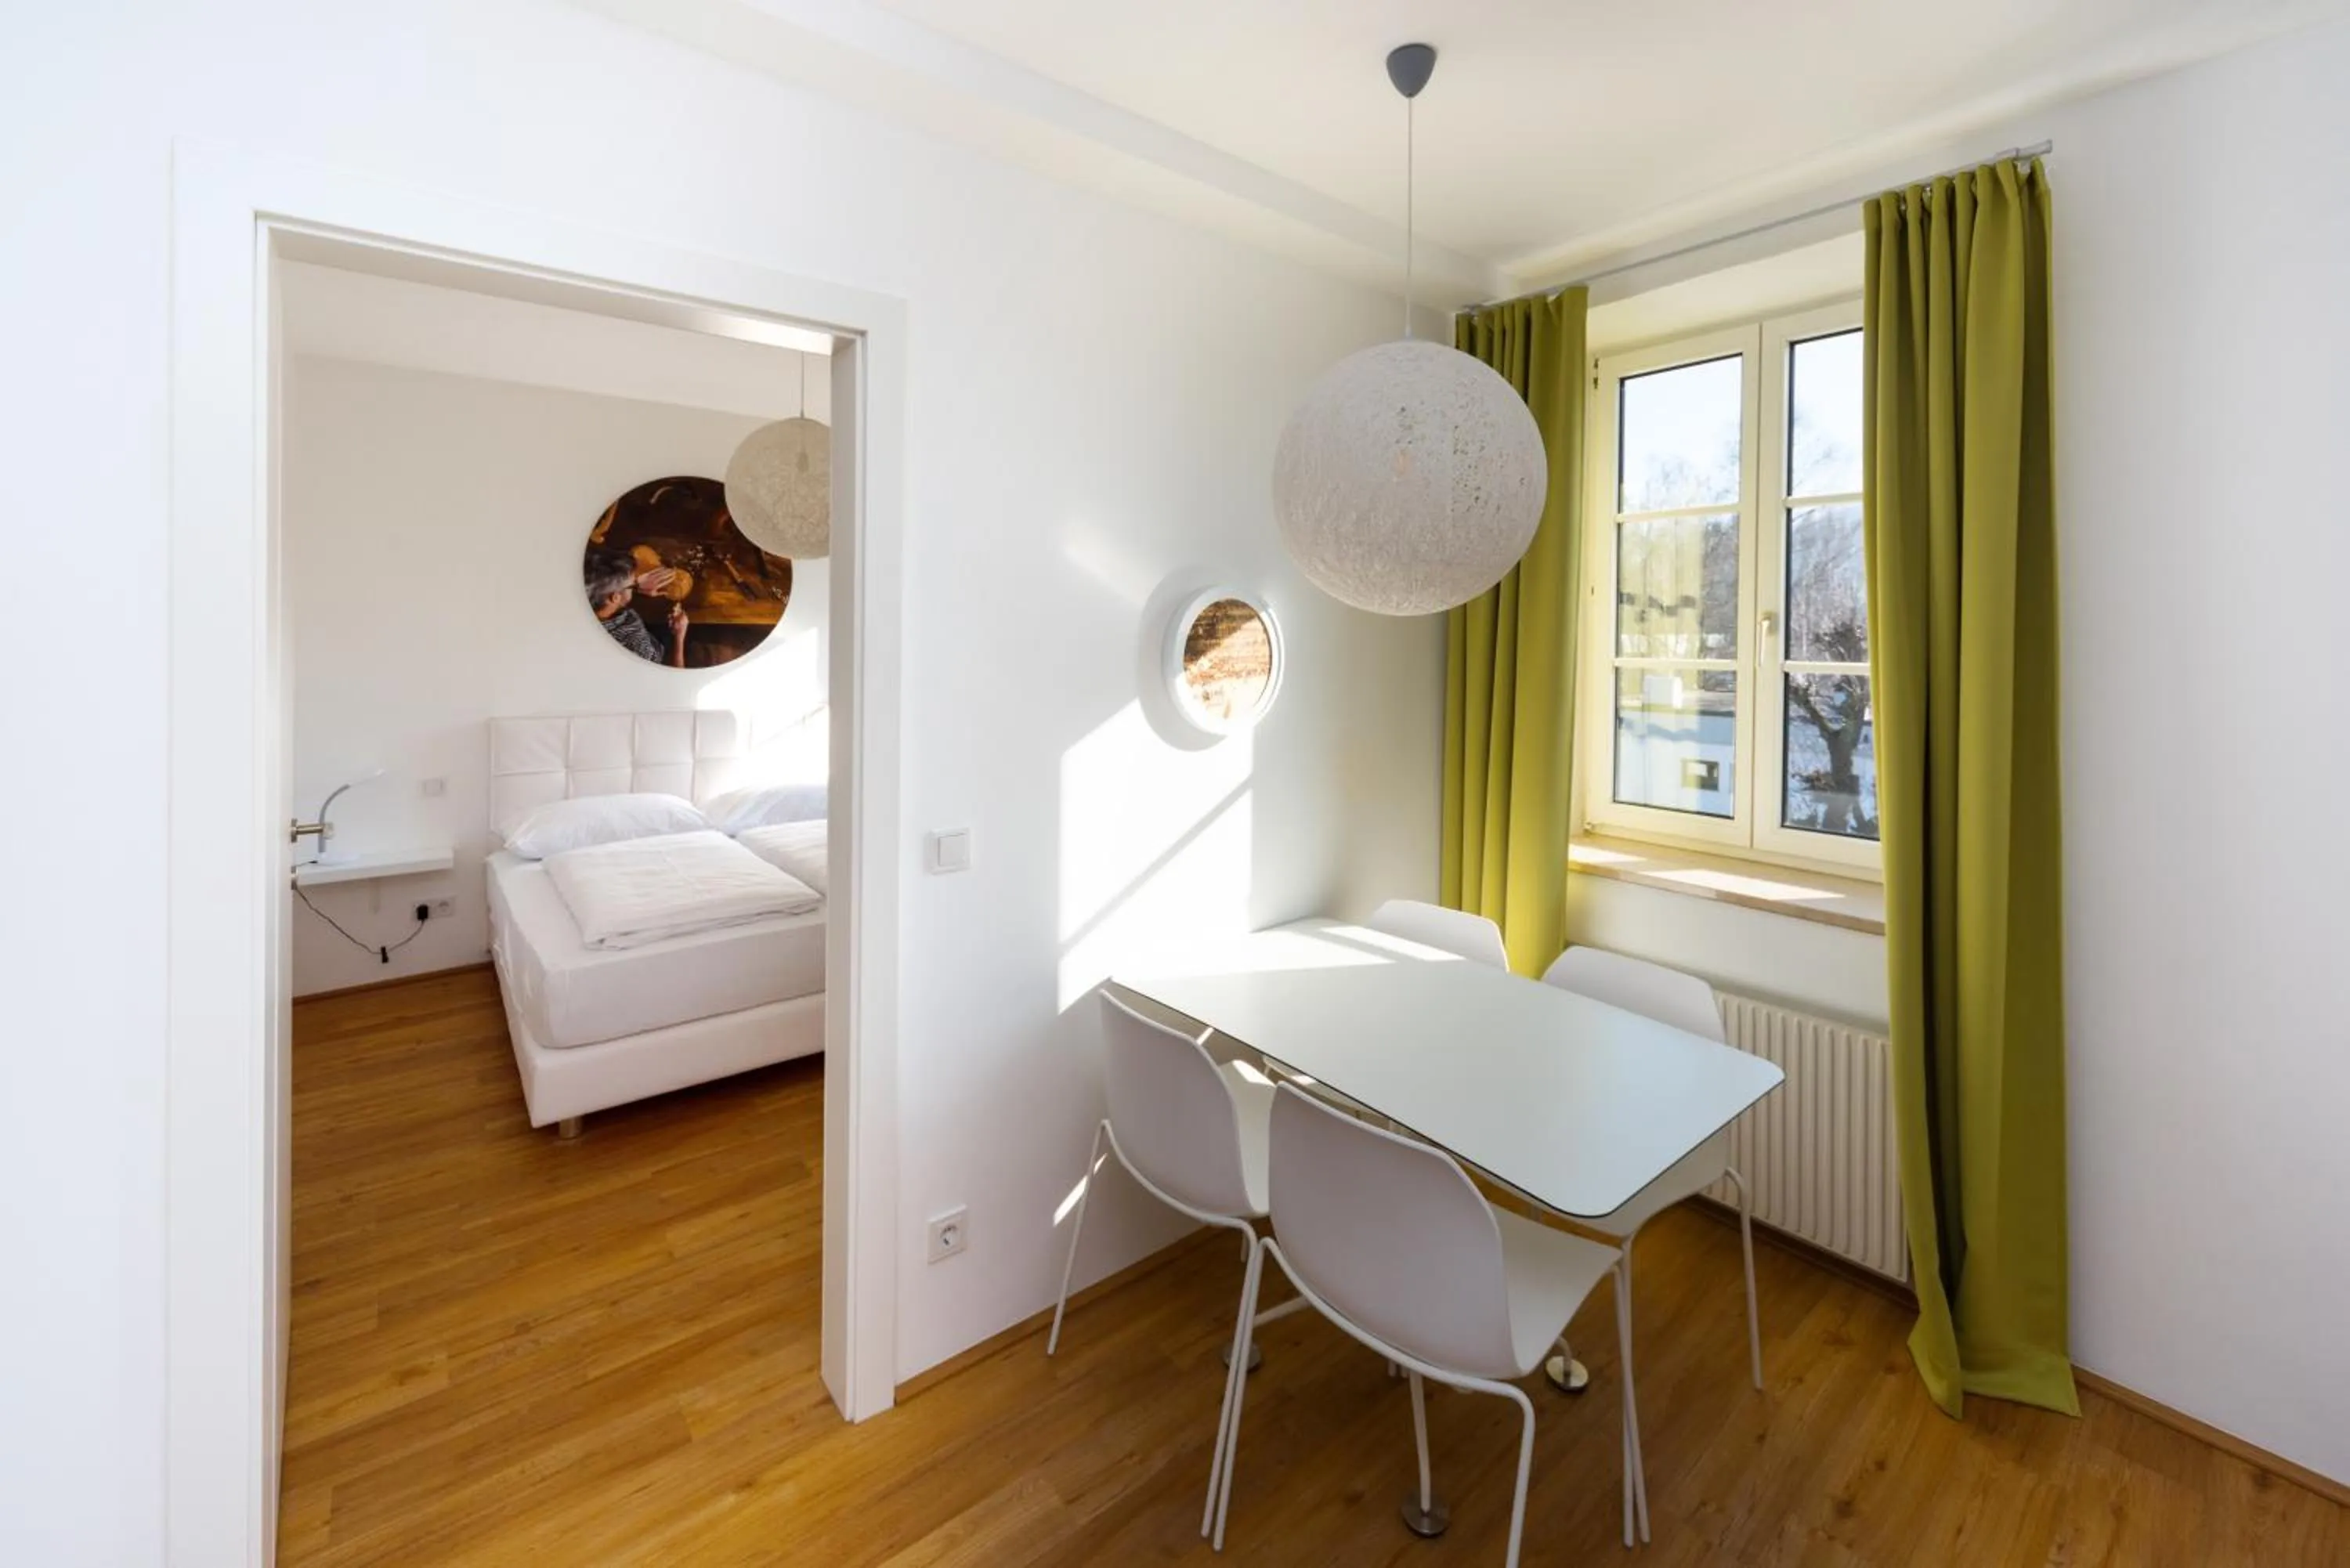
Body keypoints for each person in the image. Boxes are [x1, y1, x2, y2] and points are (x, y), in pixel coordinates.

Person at [584, 547, 688, 667]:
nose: (637, 583)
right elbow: (673, 681)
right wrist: (680, 635)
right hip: (661, 656)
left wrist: (637, 588)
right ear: (615, 597)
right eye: (633, 583)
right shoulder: (635, 646)